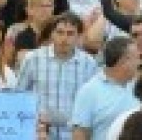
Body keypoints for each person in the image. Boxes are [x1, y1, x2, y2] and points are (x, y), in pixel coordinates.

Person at [16, 12, 98, 140]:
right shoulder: (33, 58)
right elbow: (19, 96)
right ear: (52, 34)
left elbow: (92, 105)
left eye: (70, 33)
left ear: (79, 37)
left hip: (73, 136)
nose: (64, 38)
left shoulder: (89, 64)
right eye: (59, 32)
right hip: (39, 135)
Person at [71, 36, 142, 140]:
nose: (140, 62)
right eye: (137, 58)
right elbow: (80, 134)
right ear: (123, 61)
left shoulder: (139, 87)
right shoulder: (89, 91)